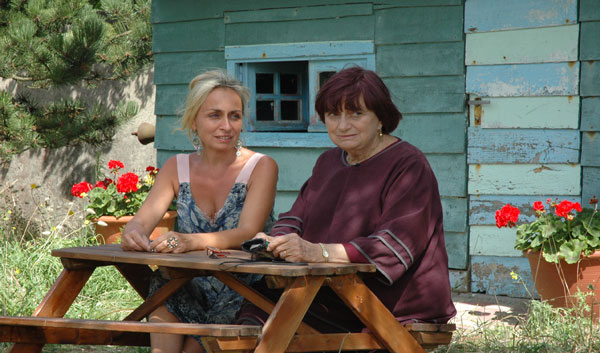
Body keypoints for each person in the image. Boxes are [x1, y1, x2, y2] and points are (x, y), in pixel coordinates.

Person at [237, 66, 456, 333]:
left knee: (275, 319)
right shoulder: (328, 161)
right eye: (333, 114)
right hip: (329, 293)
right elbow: (294, 219)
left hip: (385, 305)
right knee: (252, 310)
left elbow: (392, 248)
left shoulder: (408, 165)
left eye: (356, 113)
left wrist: (319, 252)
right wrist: (276, 241)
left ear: (381, 117)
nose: (342, 125)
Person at [120, 70, 278, 353]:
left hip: (242, 289)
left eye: (235, 116)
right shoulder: (176, 168)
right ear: (194, 120)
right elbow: (140, 223)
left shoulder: (262, 166)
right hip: (184, 284)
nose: (226, 126)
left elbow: (247, 233)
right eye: (214, 115)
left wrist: (189, 241)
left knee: (194, 349)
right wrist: (132, 233)